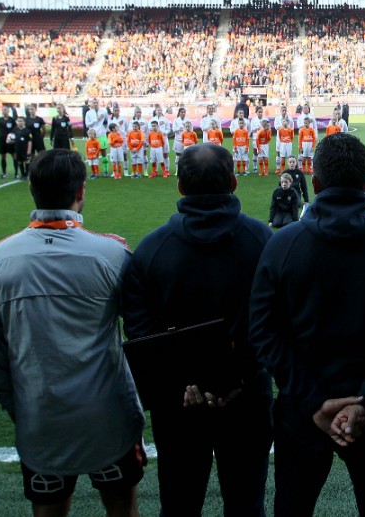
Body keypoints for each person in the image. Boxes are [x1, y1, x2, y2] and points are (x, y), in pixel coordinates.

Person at [250, 132, 365, 516]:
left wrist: (313, 402)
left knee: (293, 507)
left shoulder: (282, 245)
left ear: (314, 182)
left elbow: (263, 332)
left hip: (300, 410)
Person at [0, 149, 145, 517]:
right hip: (108, 415)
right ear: (82, 190)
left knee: (48, 510)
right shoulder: (113, 254)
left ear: (31, 189)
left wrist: (17, 407)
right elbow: (141, 335)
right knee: (122, 509)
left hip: (39, 414)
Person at [121, 142, 274, 517]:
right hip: (247, 398)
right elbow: (275, 325)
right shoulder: (264, 242)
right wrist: (236, 378)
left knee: (179, 503)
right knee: (245, 505)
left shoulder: (151, 250)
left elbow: (142, 335)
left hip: (179, 405)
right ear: (235, 182)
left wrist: (185, 384)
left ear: (180, 187)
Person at [0, 106, 19, 179]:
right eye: (3, 110)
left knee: (14, 156)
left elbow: (15, 128)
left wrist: (12, 137)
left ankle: (16, 173)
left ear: (8, 111)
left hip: (11, 140)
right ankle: (4, 173)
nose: (4, 111)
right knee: (3, 156)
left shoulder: (12, 120)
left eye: (5, 110)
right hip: (2, 140)